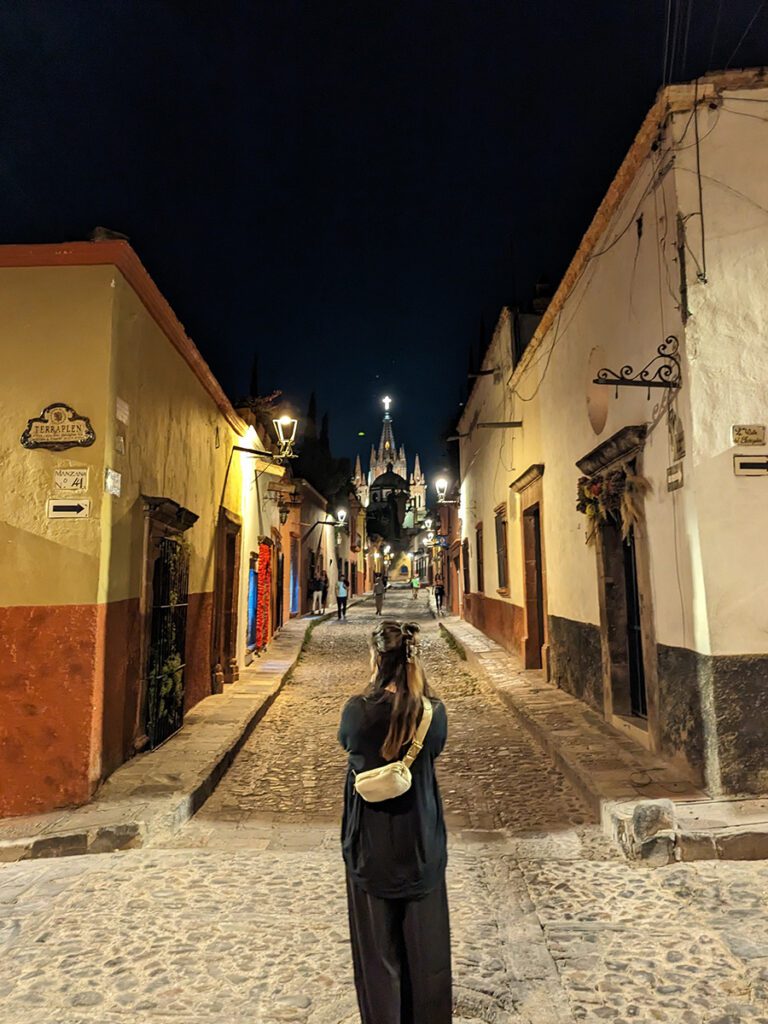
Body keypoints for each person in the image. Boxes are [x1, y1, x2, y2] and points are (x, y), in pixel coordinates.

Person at [338, 621, 451, 1024]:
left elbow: (348, 744)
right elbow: (434, 750)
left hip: (371, 848)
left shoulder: (358, 712)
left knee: (378, 957)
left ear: (376, 659)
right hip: (421, 845)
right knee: (427, 955)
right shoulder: (432, 714)